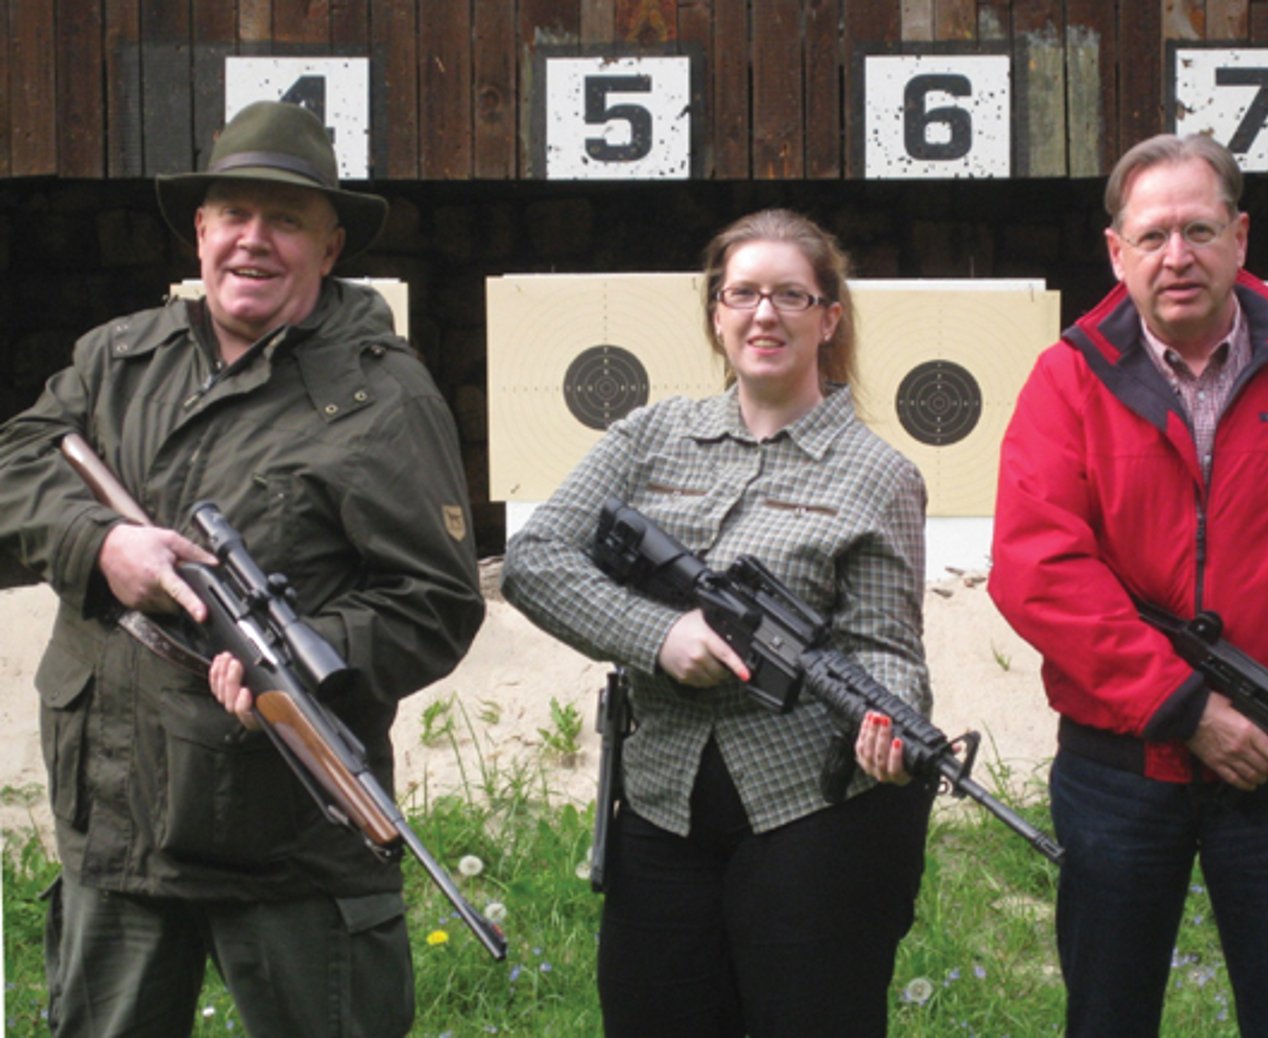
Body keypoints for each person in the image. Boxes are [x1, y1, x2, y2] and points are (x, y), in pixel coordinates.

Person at [0, 100, 484, 1036]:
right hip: (118, 825)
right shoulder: (117, 358)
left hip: (290, 842)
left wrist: (300, 660)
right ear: (201, 230)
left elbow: (434, 604)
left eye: (286, 220)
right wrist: (100, 544)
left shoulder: (381, 396)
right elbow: (19, 462)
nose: (253, 242)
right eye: (234, 216)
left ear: (330, 247)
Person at [989, 132, 1268, 1037]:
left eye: (1198, 228)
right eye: (1151, 236)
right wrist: (1182, 707)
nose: (1176, 257)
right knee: (1106, 1019)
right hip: (1117, 765)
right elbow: (1037, 566)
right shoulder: (1066, 380)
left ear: (1240, 237)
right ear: (1115, 252)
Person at [503, 208, 934, 1035]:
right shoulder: (650, 435)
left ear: (828, 318)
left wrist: (893, 727)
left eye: (789, 297)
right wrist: (657, 637)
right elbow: (534, 561)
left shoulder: (878, 476)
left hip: (807, 818)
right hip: (660, 805)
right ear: (715, 314)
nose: (763, 314)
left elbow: (886, 649)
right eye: (742, 294)